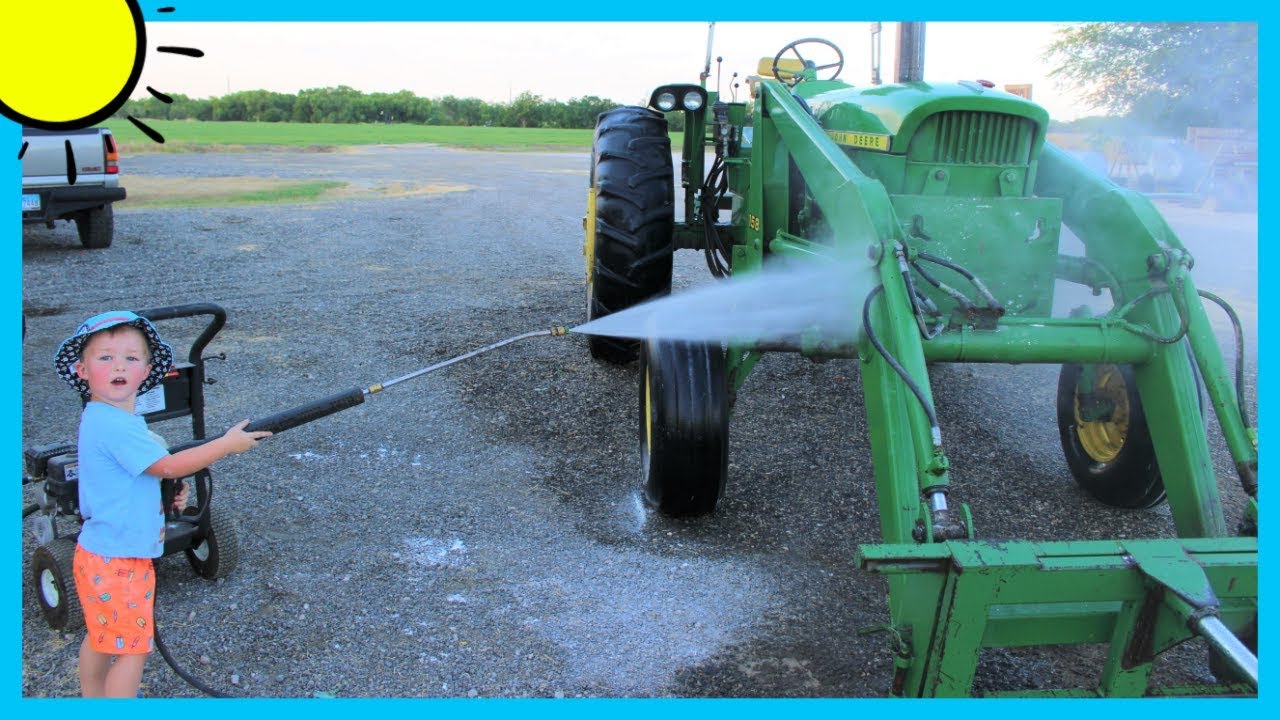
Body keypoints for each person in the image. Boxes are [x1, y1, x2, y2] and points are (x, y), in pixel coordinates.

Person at [53, 311, 272, 698]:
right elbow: (167, 463)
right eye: (105, 357)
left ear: (148, 371)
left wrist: (164, 494)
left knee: (103, 636)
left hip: (102, 552)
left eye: (130, 358)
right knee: (132, 651)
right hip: (120, 560)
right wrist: (225, 445)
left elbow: (142, 474)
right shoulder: (115, 424)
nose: (119, 365)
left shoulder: (108, 416)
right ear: (82, 370)